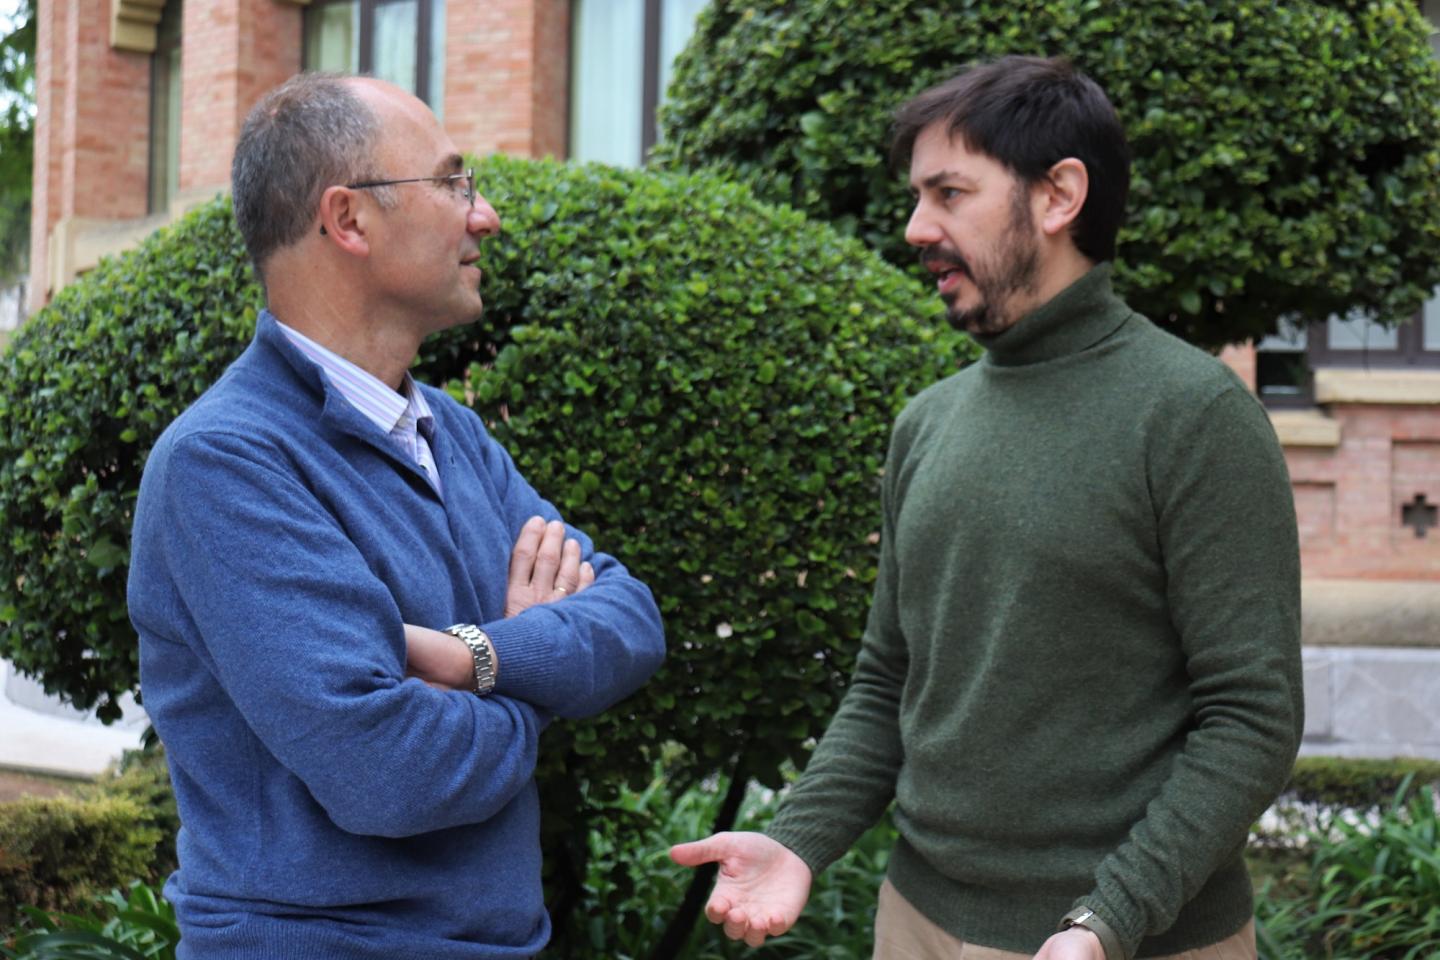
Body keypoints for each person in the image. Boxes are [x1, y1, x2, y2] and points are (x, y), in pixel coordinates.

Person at [671, 55, 1301, 960]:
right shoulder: (928, 422)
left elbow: (1252, 715)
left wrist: (1107, 921)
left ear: (1058, 197)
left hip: (1131, 941)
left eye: (949, 193)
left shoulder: (1195, 415)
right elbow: (890, 677)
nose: (915, 226)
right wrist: (798, 837)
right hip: (918, 921)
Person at [127, 72, 665, 959]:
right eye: (453, 183)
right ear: (349, 220)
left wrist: (471, 658)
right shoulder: (224, 464)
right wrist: (536, 671)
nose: (484, 213)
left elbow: (631, 620)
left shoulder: (447, 430)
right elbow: (388, 772)